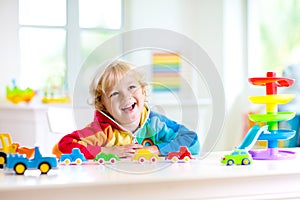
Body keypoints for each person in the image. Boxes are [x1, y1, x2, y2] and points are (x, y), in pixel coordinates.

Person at [52, 60, 200, 159]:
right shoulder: (100, 132)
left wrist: (156, 149)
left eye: (132, 87)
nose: (126, 97)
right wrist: (107, 151)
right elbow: (63, 146)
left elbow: (192, 141)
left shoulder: (156, 123)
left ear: (143, 90)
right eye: (114, 93)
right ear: (102, 104)